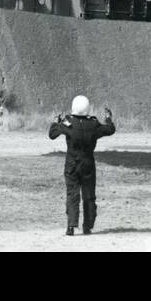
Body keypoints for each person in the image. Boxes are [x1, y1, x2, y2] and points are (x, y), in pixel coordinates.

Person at [48, 95, 115, 235]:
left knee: (72, 194)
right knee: (89, 195)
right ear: (87, 108)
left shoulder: (68, 123)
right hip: (88, 164)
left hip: (72, 163)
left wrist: (56, 122)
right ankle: (87, 226)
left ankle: (71, 226)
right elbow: (110, 129)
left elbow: (52, 134)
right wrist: (108, 118)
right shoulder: (93, 124)